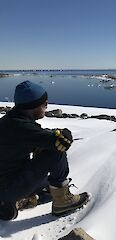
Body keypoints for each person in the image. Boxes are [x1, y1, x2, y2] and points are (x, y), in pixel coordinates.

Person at [0, 81, 89, 220]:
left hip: (7, 180)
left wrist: (56, 135)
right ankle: (63, 202)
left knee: (48, 186)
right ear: (32, 106)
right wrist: (65, 134)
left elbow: (38, 136)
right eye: (45, 103)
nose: (47, 107)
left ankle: (19, 202)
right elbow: (58, 143)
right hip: (9, 186)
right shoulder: (22, 127)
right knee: (56, 153)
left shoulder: (11, 121)